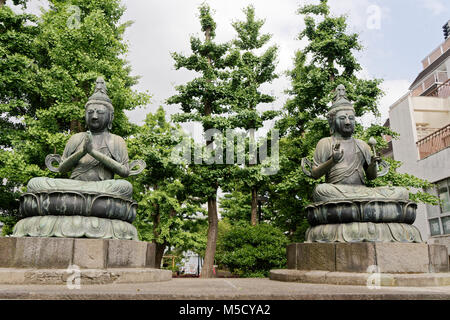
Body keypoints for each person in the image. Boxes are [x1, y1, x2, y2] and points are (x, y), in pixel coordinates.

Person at [27, 77, 133, 199]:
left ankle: (78, 200)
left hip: (102, 187)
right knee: (35, 183)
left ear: (110, 117)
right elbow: (62, 168)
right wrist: (82, 152)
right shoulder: (76, 138)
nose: (94, 116)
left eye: (100, 113)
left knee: (124, 187)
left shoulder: (116, 140)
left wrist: (93, 152)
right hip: (74, 186)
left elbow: (125, 171)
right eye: (90, 112)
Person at [310, 85, 408, 202]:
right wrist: (332, 161)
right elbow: (315, 174)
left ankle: (360, 203)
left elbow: (371, 177)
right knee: (320, 190)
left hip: (362, 190)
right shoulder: (326, 143)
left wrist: (372, 164)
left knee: (402, 192)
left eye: (351, 118)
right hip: (336, 191)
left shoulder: (362, 145)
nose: (347, 122)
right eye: (342, 118)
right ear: (332, 121)